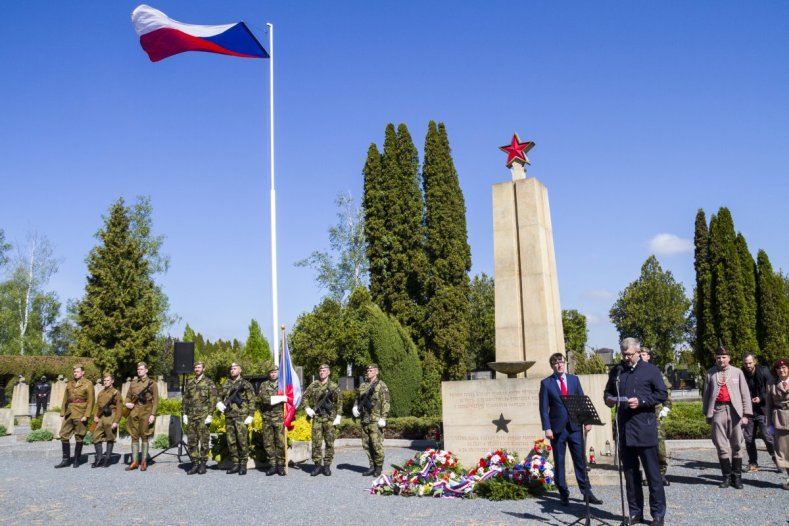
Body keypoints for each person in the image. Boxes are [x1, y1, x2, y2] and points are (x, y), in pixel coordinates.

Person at [604, 337, 667, 526]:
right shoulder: (617, 370)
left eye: (629, 354)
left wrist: (641, 401)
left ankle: (657, 515)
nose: (626, 358)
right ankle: (635, 512)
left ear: (638, 352)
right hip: (624, 430)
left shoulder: (651, 370)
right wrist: (609, 400)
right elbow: (607, 392)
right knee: (630, 475)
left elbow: (661, 394)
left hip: (644, 429)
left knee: (653, 475)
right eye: (623, 354)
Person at [538, 353, 603, 506]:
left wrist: (587, 420)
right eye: (555, 363)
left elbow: (581, 400)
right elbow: (543, 409)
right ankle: (563, 493)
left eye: (561, 362)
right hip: (557, 429)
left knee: (580, 461)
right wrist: (547, 428)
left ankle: (587, 493)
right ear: (552, 366)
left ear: (565, 363)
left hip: (575, 427)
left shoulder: (574, 380)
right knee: (560, 462)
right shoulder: (546, 383)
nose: (559, 365)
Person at [702, 344, 752, 489]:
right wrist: (707, 413)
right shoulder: (711, 373)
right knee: (721, 445)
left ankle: (737, 478)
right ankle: (726, 477)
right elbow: (706, 394)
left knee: (737, 444)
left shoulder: (737, 372)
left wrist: (746, 414)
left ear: (729, 358)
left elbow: (745, 394)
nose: (721, 360)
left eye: (724, 357)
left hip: (735, 410)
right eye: (718, 357)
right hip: (718, 409)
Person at [639, 348, 672, 486]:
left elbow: (666, 390)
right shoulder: (634, 372)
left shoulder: (655, 371)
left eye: (644, 355)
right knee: (642, 445)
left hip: (656, 412)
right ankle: (646, 475)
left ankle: (661, 473)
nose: (641, 357)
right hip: (640, 412)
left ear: (649, 357)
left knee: (659, 445)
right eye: (639, 354)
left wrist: (667, 407)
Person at [216, 362, 255, 475]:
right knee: (231, 441)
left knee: (242, 441)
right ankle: (235, 464)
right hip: (229, 415)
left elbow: (252, 400)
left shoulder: (246, 384)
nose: (232, 370)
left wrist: (251, 415)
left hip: (241, 416)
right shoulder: (226, 383)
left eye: (235, 368)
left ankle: (243, 465)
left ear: (240, 370)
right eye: (231, 369)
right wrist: (219, 402)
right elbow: (219, 394)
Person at [303, 364, 342, 476]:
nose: (322, 372)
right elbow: (305, 397)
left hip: (329, 419)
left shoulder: (333, 386)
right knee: (316, 443)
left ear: (328, 372)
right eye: (320, 370)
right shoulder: (314, 385)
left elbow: (339, 402)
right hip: (317, 418)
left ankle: (327, 466)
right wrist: (307, 408)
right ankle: (317, 466)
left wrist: (338, 416)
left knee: (329, 443)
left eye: (324, 370)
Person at [54, 364, 95, 468]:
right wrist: (62, 412)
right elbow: (65, 399)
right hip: (69, 412)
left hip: (80, 412)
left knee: (79, 436)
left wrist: (87, 415)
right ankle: (65, 460)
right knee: (63, 434)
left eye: (77, 371)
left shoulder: (88, 384)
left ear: (83, 372)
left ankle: (77, 459)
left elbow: (91, 401)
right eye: (74, 372)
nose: (75, 373)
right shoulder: (70, 383)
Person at [353, 363, 390, 477]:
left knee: (376, 444)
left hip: (375, 420)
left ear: (376, 372)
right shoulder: (363, 385)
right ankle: (372, 466)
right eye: (368, 370)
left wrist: (383, 418)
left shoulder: (381, 385)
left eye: (371, 370)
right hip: (364, 419)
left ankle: (378, 467)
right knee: (366, 444)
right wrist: (355, 407)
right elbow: (358, 399)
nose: (368, 372)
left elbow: (386, 402)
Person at [741, 352, 776, 472]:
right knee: (749, 438)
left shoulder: (764, 371)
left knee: (768, 437)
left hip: (763, 410)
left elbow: (772, 389)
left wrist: (761, 398)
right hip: (748, 411)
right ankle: (753, 463)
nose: (748, 365)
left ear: (755, 362)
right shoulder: (740, 373)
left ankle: (777, 459)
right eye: (745, 363)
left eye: (750, 363)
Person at [183, 361, 218, 475]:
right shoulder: (190, 383)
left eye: (199, 367)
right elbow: (186, 399)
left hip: (203, 416)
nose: (197, 369)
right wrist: (184, 413)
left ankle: (203, 464)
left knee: (204, 441)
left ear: (204, 369)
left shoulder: (209, 382)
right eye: (195, 367)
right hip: (192, 416)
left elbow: (213, 399)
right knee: (191, 442)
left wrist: (210, 414)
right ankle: (194, 463)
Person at [125, 362, 159, 472]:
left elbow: (156, 400)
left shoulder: (152, 383)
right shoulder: (133, 383)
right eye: (138, 369)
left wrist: (153, 414)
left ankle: (144, 461)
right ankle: (135, 461)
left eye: (141, 369)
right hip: (134, 411)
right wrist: (127, 403)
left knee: (145, 436)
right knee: (134, 436)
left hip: (146, 411)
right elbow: (128, 396)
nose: (139, 370)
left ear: (146, 370)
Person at [258, 361, 288, 476]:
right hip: (267, 418)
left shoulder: (283, 385)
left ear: (278, 373)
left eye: (275, 372)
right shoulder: (264, 385)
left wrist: (285, 398)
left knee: (280, 442)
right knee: (268, 443)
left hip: (279, 418)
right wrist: (280, 399)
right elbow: (265, 399)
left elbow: (289, 398)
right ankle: (272, 465)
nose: (273, 374)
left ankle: (280, 465)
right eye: (271, 372)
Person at [765, 358, 789, 490]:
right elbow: (769, 405)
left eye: (784, 367)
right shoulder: (771, 384)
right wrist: (769, 424)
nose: (781, 370)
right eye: (779, 368)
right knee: (784, 452)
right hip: (780, 420)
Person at [91, 373, 123, 468]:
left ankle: (107, 459)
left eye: (108, 380)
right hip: (101, 416)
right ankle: (99, 458)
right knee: (95, 436)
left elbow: (120, 408)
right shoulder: (101, 392)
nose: (105, 382)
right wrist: (95, 416)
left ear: (112, 381)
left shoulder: (116, 392)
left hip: (111, 415)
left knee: (110, 437)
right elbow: (97, 405)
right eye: (104, 380)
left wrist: (116, 421)